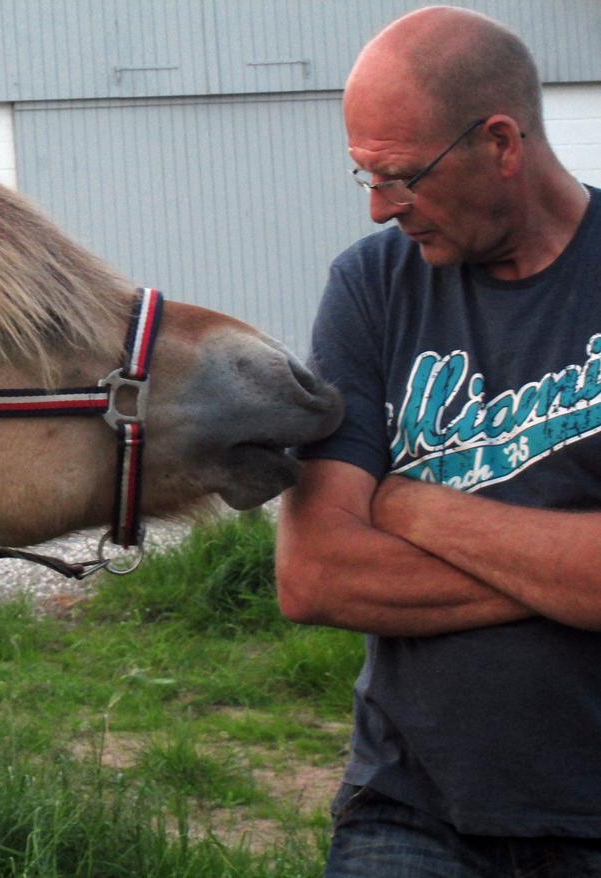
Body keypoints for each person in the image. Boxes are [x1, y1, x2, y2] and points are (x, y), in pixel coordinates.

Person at [275, 5, 601, 876]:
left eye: (401, 176)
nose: (382, 209)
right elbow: (314, 575)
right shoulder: (373, 289)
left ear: (500, 143)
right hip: (410, 810)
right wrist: (567, 577)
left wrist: (409, 504)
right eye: (365, 178)